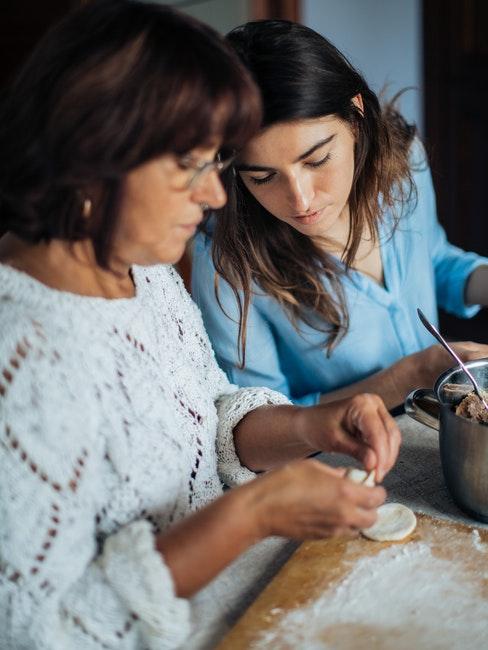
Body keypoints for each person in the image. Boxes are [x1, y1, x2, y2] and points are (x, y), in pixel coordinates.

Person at [0, 3, 401, 649]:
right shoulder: (19, 357)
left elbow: (207, 421)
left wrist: (311, 426)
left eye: (218, 163)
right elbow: (40, 633)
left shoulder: (142, 271)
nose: (217, 196)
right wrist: (253, 513)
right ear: (91, 156)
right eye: (190, 163)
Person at [191, 19, 488, 410]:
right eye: (262, 178)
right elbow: (263, 422)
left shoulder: (403, 162)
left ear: (355, 112)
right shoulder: (224, 261)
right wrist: (407, 377)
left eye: (317, 160)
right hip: (338, 464)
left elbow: (434, 261)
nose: (300, 201)